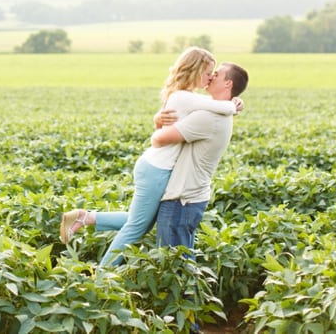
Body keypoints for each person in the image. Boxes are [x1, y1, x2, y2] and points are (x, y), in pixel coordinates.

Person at [59, 47, 243, 267]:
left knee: (143, 222)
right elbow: (217, 107)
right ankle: (101, 275)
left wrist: (233, 104)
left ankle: (84, 217)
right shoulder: (187, 98)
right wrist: (234, 104)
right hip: (157, 169)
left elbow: (213, 106)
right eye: (207, 72)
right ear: (195, 71)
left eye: (215, 74)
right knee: (136, 227)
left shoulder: (188, 97)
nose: (210, 77)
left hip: (156, 167)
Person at [151, 62, 249, 252]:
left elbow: (159, 139)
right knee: (181, 262)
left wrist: (157, 124)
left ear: (228, 84)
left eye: (217, 74)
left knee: (174, 264)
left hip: (182, 199)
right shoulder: (219, 112)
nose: (211, 76)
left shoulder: (207, 118)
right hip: (191, 197)